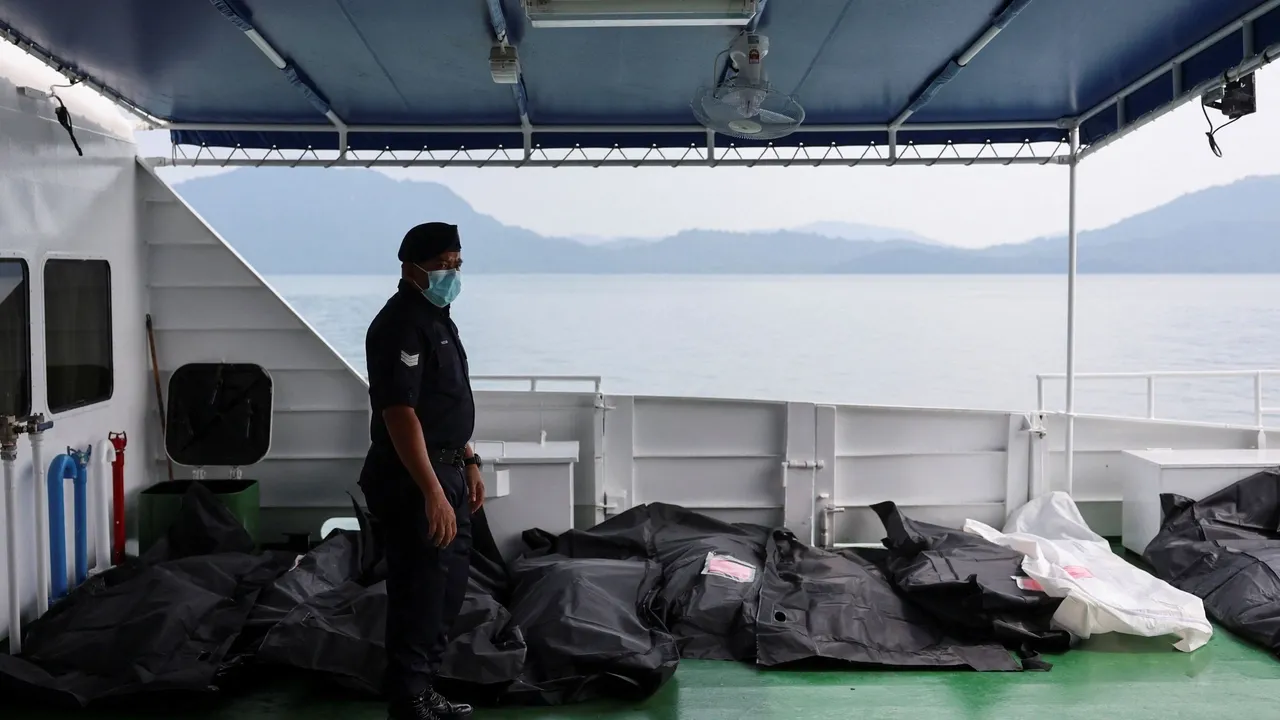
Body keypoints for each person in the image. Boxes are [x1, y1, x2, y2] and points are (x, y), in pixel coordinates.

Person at [359, 222, 486, 720]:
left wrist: (470, 461)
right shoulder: (399, 325)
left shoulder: (438, 318)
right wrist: (431, 491)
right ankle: (408, 700)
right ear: (412, 268)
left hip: (448, 470)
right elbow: (399, 413)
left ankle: (424, 688)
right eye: (442, 264)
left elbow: (444, 405)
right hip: (415, 479)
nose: (451, 272)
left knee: (446, 590)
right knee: (420, 590)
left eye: (456, 263)